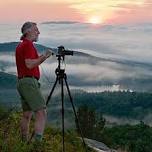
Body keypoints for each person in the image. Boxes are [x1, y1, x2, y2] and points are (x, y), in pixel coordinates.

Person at [15, 21, 52, 142]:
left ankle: (23, 142)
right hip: (29, 82)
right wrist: (44, 56)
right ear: (28, 31)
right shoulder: (28, 45)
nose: (38, 32)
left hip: (22, 82)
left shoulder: (20, 46)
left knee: (27, 115)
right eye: (36, 30)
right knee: (41, 112)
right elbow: (30, 64)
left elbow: (28, 63)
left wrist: (40, 57)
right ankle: (37, 145)